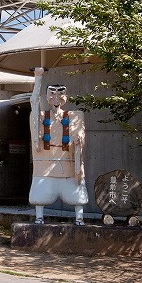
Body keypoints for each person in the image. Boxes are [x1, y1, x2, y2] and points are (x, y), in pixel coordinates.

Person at [29, 67, 88, 224]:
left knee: (76, 193)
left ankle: (79, 217)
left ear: (65, 96)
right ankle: (39, 216)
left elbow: (80, 134)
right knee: (40, 193)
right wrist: (38, 79)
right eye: (52, 93)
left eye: (60, 93)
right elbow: (34, 105)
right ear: (47, 96)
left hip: (67, 160)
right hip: (46, 162)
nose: (56, 97)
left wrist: (78, 140)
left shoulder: (75, 116)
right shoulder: (41, 116)